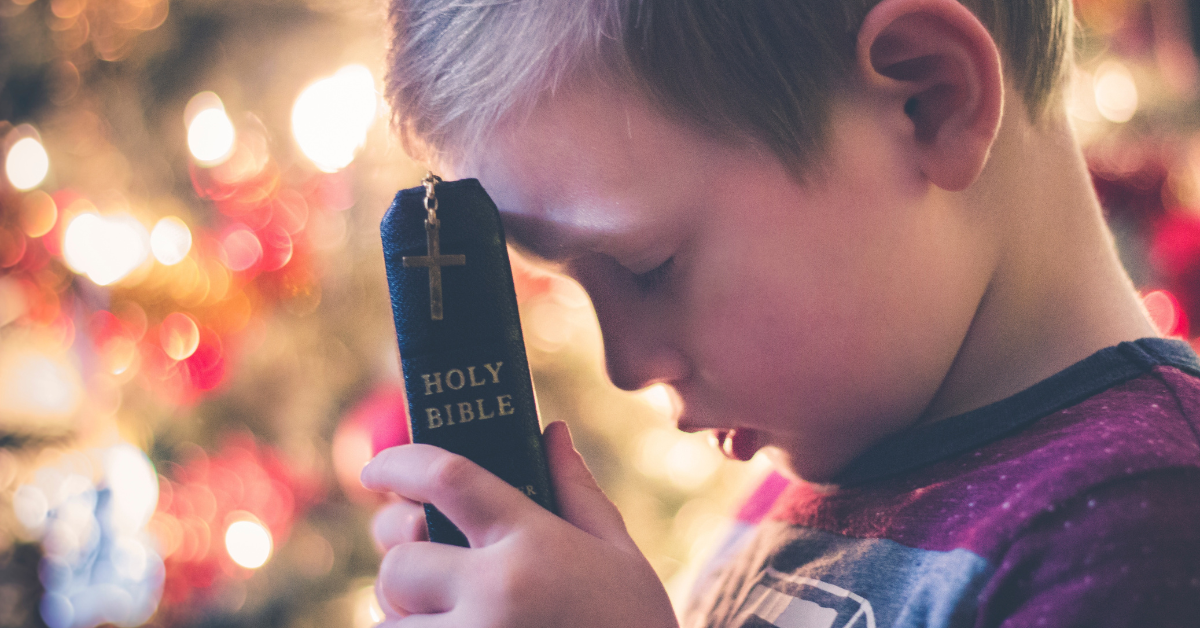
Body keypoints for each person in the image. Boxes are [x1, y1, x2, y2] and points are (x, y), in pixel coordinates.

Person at [360, 0, 1200, 626]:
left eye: (649, 269)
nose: (624, 366)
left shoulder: (1141, 526)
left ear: (928, 101)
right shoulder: (799, 490)